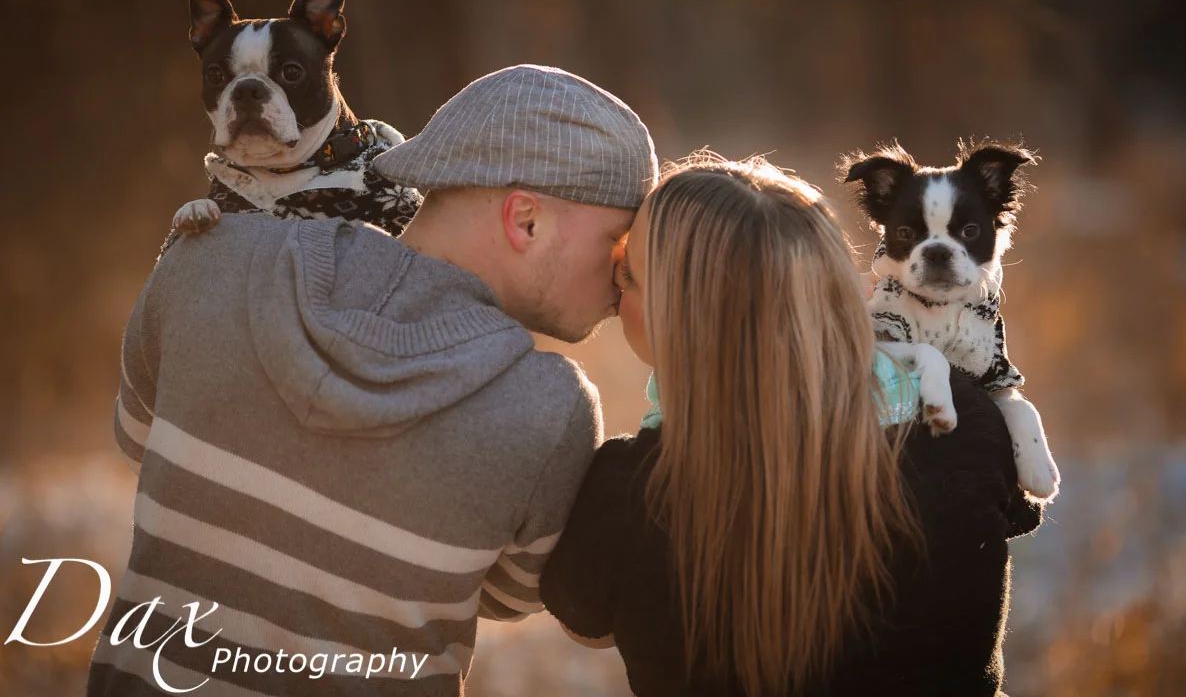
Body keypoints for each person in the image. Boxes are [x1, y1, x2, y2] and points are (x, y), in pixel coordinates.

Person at [89, 64, 658, 696]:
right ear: (525, 220)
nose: (625, 273)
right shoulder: (549, 410)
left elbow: (141, 441)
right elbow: (504, 596)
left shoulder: (203, 260)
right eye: (618, 241)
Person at [541, 156, 1045, 697]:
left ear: (684, 311)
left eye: (629, 275)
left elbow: (586, 622)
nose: (616, 296)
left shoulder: (627, 490)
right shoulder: (965, 425)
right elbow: (1011, 516)